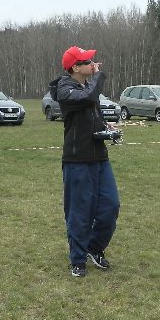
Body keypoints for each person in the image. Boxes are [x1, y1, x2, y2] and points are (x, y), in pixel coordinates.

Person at [49, 46, 121, 278]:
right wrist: (99, 76)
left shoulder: (85, 87)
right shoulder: (65, 89)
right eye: (87, 61)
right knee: (80, 212)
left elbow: (90, 113)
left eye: (92, 60)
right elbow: (87, 98)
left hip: (99, 157)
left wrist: (106, 127)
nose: (93, 63)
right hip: (77, 160)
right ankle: (77, 259)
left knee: (111, 206)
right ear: (75, 68)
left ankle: (94, 247)